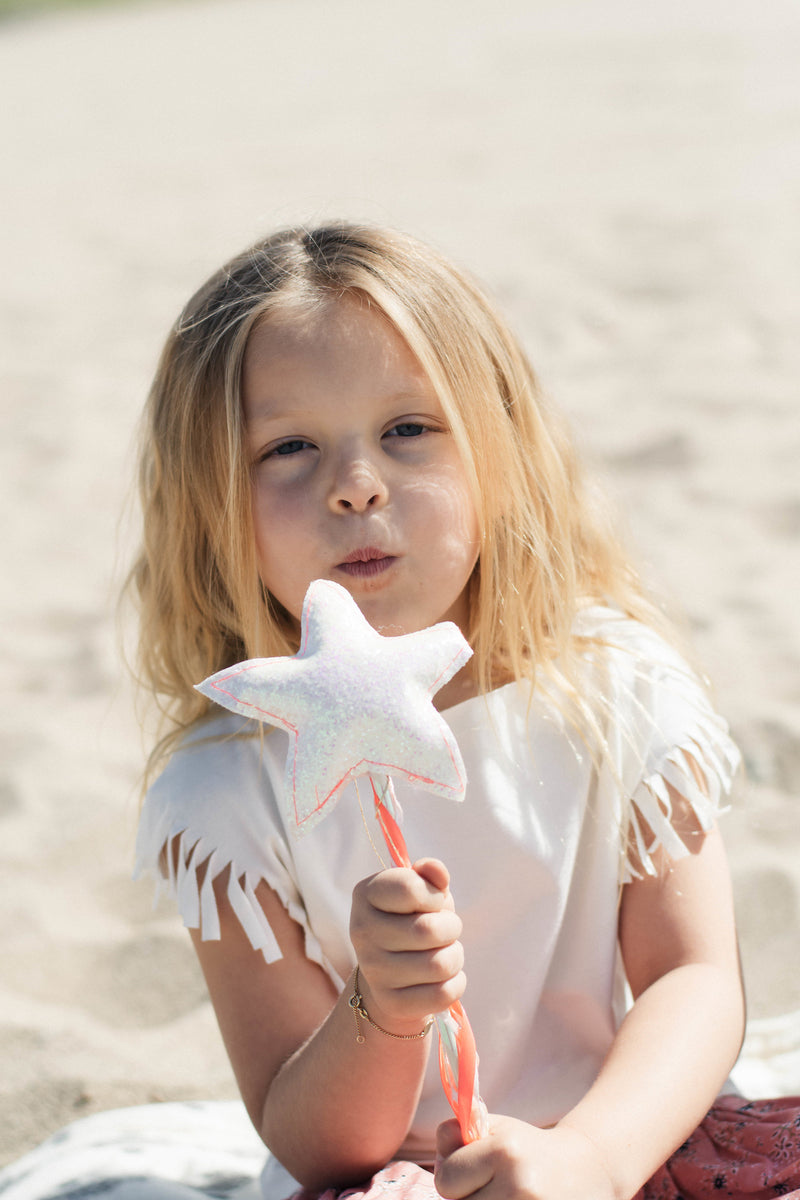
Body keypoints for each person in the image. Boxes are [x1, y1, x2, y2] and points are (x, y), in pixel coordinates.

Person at [132, 223, 800, 1200]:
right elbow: (311, 1142)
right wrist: (380, 1009)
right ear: (207, 506)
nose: (356, 484)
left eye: (407, 429)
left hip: (617, 1135)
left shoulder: (609, 690)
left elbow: (690, 982)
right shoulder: (227, 786)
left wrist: (592, 1158)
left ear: (496, 451)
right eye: (287, 447)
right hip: (403, 1176)